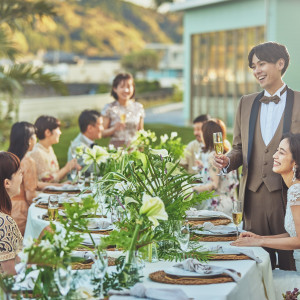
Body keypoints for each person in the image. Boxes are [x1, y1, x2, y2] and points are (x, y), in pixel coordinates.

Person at [214, 42, 300, 270]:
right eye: (253, 66)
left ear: (280, 64)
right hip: (252, 197)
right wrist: (227, 161)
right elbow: (238, 148)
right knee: (255, 263)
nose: (256, 71)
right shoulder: (246, 103)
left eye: (261, 64)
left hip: (288, 197)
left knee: (289, 264)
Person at [231, 133, 300, 267]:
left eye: (281, 152)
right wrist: (259, 238)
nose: (274, 155)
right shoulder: (295, 188)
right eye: (276, 151)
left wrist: (260, 242)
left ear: (295, 161)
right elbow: (294, 234)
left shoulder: (296, 191)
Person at [8, 122, 60, 235]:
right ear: (29, 140)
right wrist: (51, 204)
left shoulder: (8, 158)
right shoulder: (28, 161)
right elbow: (30, 195)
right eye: (35, 136)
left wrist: (57, 186)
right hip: (21, 214)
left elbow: (30, 183)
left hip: (7, 209)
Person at [193, 119, 238, 216]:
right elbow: (220, 174)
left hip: (217, 207)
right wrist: (203, 168)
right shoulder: (228, 153)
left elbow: (214, 185)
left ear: (206, 135)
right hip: (230, 203)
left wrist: (192, 189)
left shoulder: (212, 156)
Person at [30, 115, 78, 183]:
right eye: (58, 129)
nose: (60, 132)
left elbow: (55, 175)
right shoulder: (37, 152)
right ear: (48, 132)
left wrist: (70, 168)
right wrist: (66, 168)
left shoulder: (49, 148)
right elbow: (47, 180)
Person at [102, 73, 145, 148]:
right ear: (115, 89)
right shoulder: (109, 108)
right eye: (122, 87)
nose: (126, 90)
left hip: (134, 149)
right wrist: (114, 129)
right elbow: (102, 133)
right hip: (115, 151)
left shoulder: (138, 107)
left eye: (129, 86)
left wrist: (142, 148)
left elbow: (141, 132)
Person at [0, 152, 23, 275]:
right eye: (19, 173)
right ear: (7, 183)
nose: (22, 177)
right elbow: (10, 275)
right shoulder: (4, 222)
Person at [67, 110, 103, 175]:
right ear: (90, 128)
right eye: (100, 125)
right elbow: (96, 170)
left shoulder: (88, 142)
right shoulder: (78, 147)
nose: (102, 128)